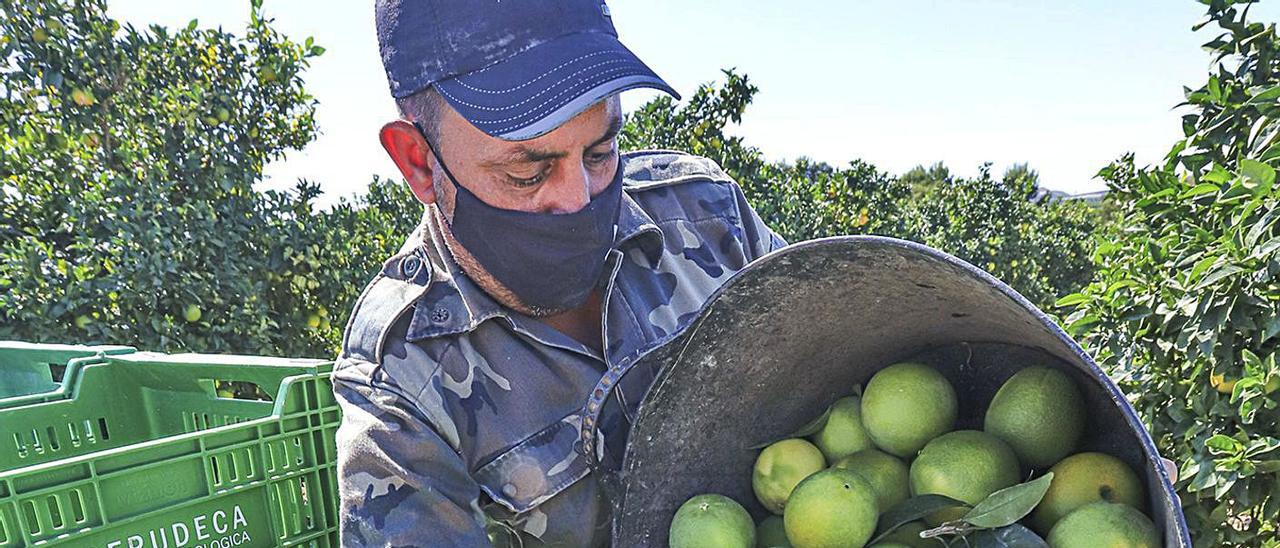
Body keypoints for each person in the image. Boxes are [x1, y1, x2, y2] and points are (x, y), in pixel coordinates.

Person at [333, 1, 787, 545]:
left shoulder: (709, 221)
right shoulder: (404, 394)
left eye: (600, 152)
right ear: (419, 163)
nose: (577, 200)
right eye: (528, 172)